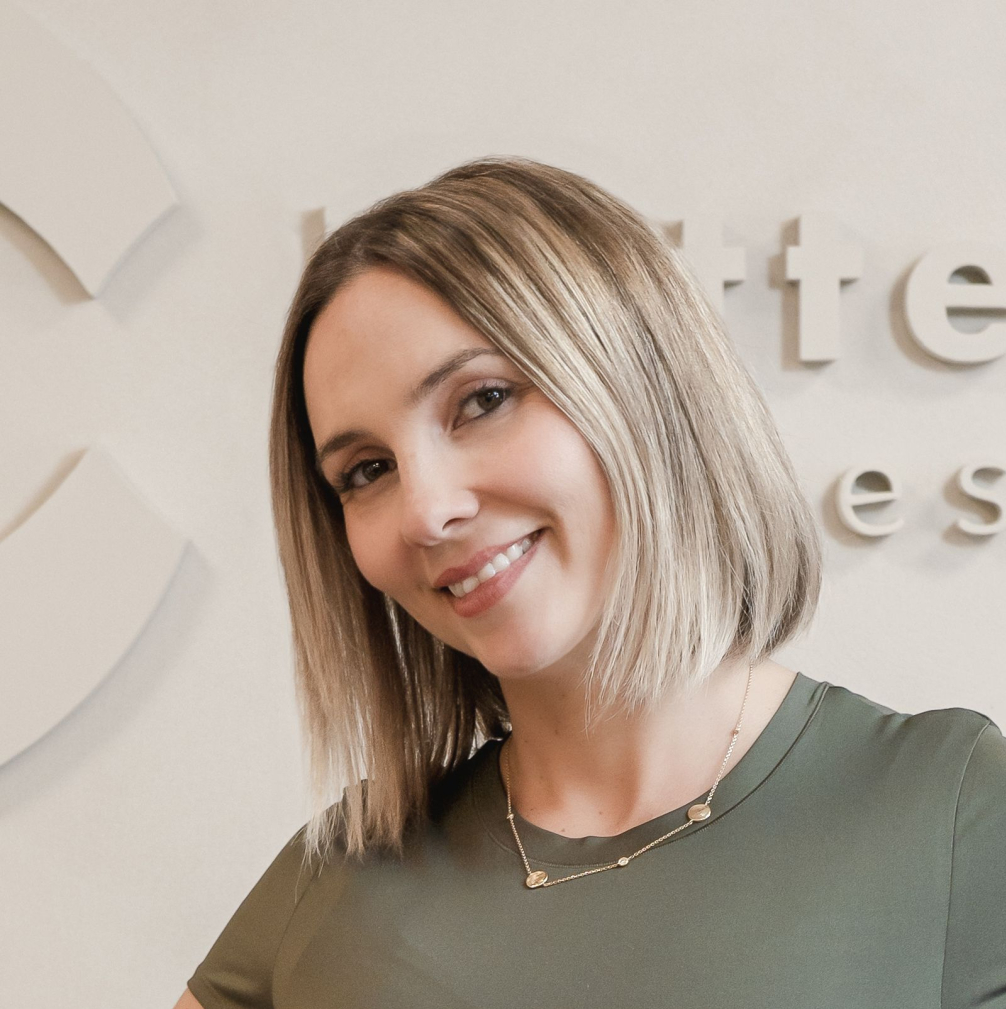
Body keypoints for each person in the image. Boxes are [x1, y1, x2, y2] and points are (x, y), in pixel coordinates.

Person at [174, 156, 1006, 1009]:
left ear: (643, 383)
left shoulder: (956, 817)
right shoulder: (338, 879)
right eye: (367, 469)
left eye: (482, 400)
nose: (425, 510)